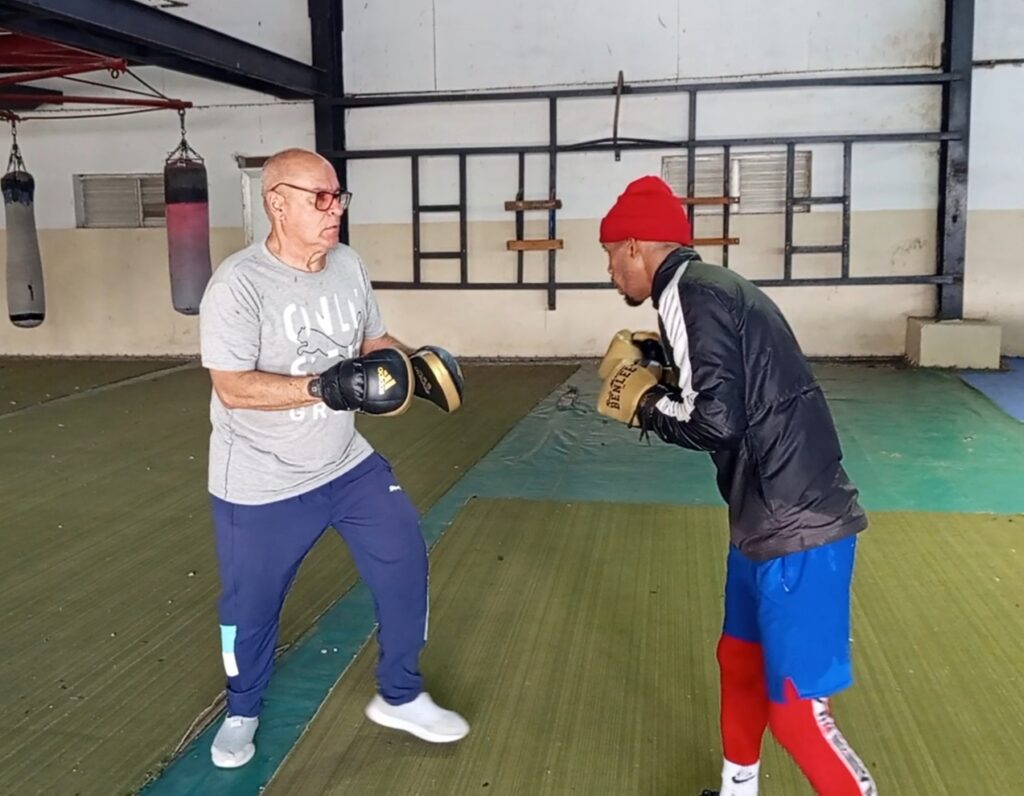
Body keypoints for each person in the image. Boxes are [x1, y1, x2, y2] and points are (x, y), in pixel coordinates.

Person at [594, 176, 876, 796]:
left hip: (797, 525)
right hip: (764, 514)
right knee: (739, 661)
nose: (610, 271)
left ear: (635, 246)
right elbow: (733, 390)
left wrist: (643, 404)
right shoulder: (710, 287)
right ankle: (738, 789)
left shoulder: (688, 293)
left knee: (797, 714)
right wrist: (665, 368)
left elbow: (715, 421)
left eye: (611, 255)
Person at [198, 147, 468, 769]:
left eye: (338, 196)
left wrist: (417, 364)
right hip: (260, 481)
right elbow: (233, 387)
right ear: (277, 203)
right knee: (250, 608)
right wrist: (323, 386)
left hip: (346, 463)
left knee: (404, 559)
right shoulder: (237, 285)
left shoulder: (347, 264)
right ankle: (242, 710)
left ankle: (401, 694)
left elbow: (373, 340)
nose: (334, 209)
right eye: (319, 198)